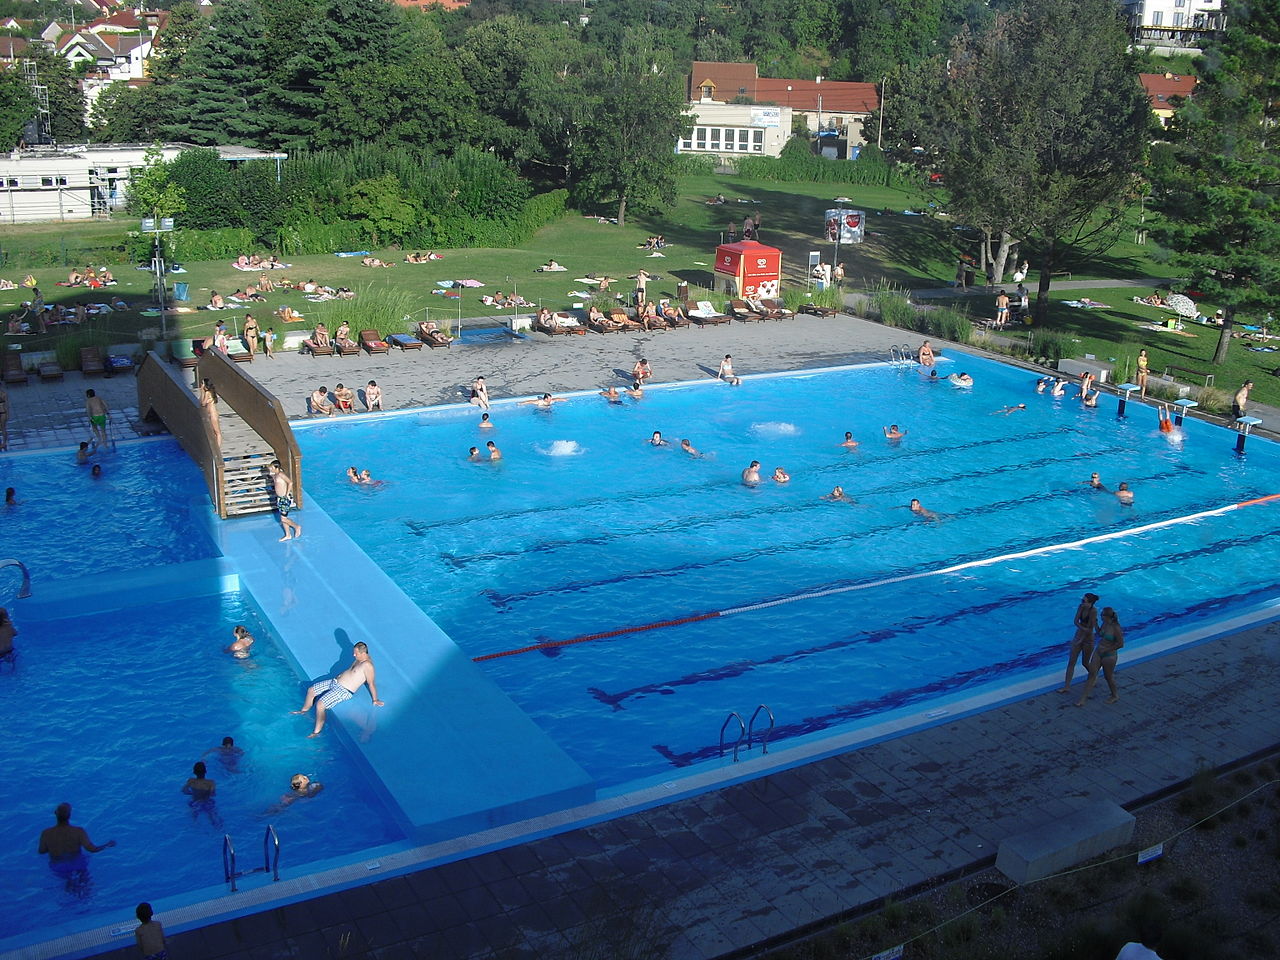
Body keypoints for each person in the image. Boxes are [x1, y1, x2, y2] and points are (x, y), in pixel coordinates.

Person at [291, 641, 383, 737]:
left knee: (320, 705)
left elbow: (371, 683)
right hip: (334, 682)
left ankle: (316, 732)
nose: (353, 655)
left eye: (356, 653)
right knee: (311, 690)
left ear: (363, 653)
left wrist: (375, 699)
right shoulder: (358, 659)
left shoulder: (368, 666)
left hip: (343, 691)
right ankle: (304, 711)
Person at [38, 802, 116, 867]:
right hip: (76, 864)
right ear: (70, 815)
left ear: (55, 813)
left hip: (58, 866)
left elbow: (42, 851)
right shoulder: (78, 832)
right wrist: (108, 844)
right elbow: (93, 849)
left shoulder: (46, 833)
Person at [1077, 606, 1124, 706]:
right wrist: (1096, 624)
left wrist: (1107, 649)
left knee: (1108, 677)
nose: (1100, 616)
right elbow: (1100, 634)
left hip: (1109, 655)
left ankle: (1114, 695)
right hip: (1098, 652)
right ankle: (1083, 699)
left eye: (1102, 614)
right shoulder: (1105, 624)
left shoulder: (1116, 628)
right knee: (1091, 675)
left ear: (1106, 616)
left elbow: (1120, 644)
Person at [1058, 593, 1099, 692]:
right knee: (1071, 662)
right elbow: (1075, 621)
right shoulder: (1081, 607)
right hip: (1078, 635)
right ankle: (1067, 686)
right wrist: (1082, 631)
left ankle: (1094, 676)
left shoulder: (1093, 611)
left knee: (1085, 662)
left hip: (1088, 639)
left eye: (1084, 601)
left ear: (1090, 603)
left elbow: (1090, 630)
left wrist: (1081, 637)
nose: (1082, 603)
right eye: (1082, 600)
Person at [269, 460, 301, 541]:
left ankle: (296, 526)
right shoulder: (276, 475)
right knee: (282, 517)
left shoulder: (281, 474)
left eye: (272, 467)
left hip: (284, 499)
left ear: (276, 467)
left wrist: (287, 494)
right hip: (279, 498)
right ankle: (288, 535)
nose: (270, 468)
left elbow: (290, 482)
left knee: (283, 519)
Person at [198, 379, 222, 447]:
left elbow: (203, 403)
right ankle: (215, 447)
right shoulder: (209, 392)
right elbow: (200, 402)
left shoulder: (208, 393)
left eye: (202, 383)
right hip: (211, 414)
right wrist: (202, 391)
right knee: (214, 432)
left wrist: (202, 391)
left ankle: (218, 449)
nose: (201, 385)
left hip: (212, 414)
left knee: (217, 432)